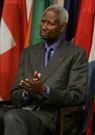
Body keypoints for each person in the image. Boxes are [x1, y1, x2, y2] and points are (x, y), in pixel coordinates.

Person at [0, 5, 88, 135]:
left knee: (13, 117)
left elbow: (76, 96)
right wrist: (27, 93)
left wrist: (44, 91)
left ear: (63, 27)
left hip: (51, 118)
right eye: (43, 21)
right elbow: (14, 93)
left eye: (50, 23)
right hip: (24, 109)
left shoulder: (75, 54)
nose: (44, 27)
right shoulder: (29, 52)